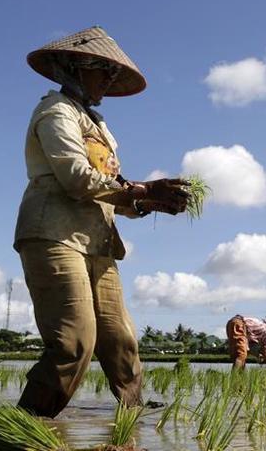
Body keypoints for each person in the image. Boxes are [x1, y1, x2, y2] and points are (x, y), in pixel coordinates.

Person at [14, 26, 190, 417]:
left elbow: (113, 192)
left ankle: (133, 414)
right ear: (73, 67)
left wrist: (151, 201)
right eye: (101, 71)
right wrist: (143, 189)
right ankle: (25, 424)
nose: (108, 82)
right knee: (75, 341)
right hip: (54, 235)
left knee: (120, 337)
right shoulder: (55, 111)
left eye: (113, 75)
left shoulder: (101, 128)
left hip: (98, 242)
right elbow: (77, 178)